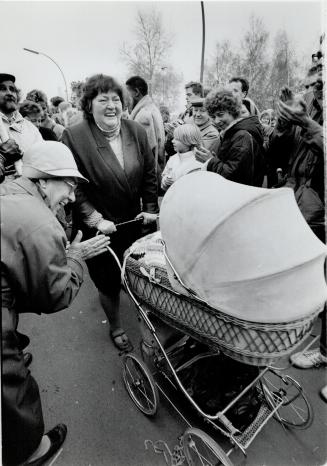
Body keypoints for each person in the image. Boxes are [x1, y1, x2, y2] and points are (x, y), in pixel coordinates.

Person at [1, 141, 110, 465]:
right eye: (69, 184)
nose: (72, 197)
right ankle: (33, 453)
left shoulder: (8, 192)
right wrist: (76, 257)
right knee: (11, 388)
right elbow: (55, 295)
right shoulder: (41, 221)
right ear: (43, 180)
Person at [62, 74, 159, 352]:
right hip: (99, 226)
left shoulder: (136, 131)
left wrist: (150, 210)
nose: (111, 105)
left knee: (140, 273)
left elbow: (150, 175)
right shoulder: (74, 136)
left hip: (134, 222)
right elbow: (73, 186)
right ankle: (116, 325)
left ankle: (146, 317)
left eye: (116, 98)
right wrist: (95, 219)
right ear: (89, 105)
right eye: (102, 99)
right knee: (107, 282)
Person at [195, 87, 265, 187]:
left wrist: (210, 161)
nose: (216, 121)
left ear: (233, 111)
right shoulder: (233, 133)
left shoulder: (242, 136)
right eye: (213, 117)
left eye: (220, 115)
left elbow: (234, 177)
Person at [0, 73, 42, 178]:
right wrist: (2, 156)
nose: (9, 93)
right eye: (2, 89)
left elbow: (43, 160)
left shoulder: (30, 128)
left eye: (12, 89)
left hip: (32, 189)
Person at [126, 75, 165, 171]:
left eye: (127, 94)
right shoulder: (151, 108)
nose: (125, 99)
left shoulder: (143, 115)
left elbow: (142, 151)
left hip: (147, 171)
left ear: (136, 92)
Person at [161, 124, 203, 191]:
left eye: (177, 139)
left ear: (188, 141)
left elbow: (194, 189)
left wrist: (176, 184)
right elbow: (165, 174)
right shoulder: (173, 158)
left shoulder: (198, 162)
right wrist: (165, 180)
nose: (172, 141)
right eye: (173, 138)